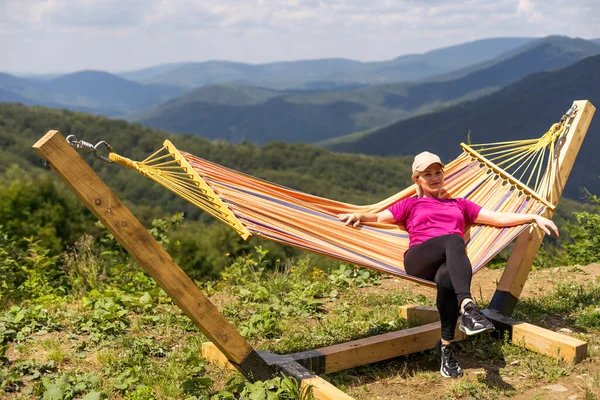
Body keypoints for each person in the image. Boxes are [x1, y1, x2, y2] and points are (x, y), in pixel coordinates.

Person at [338, 151, 559, 378]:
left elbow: (497, 218)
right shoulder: (410, 204)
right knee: (454, 240)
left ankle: (446, 347)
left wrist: (533, 217)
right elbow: (378, 217)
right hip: (419, 259)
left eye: (438, 172)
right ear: (417, 179)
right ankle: (468, 306)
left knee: (447, 280)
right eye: (428, 174)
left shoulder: (460, 204)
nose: (435, 178)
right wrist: (360, 216)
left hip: (449, 264)